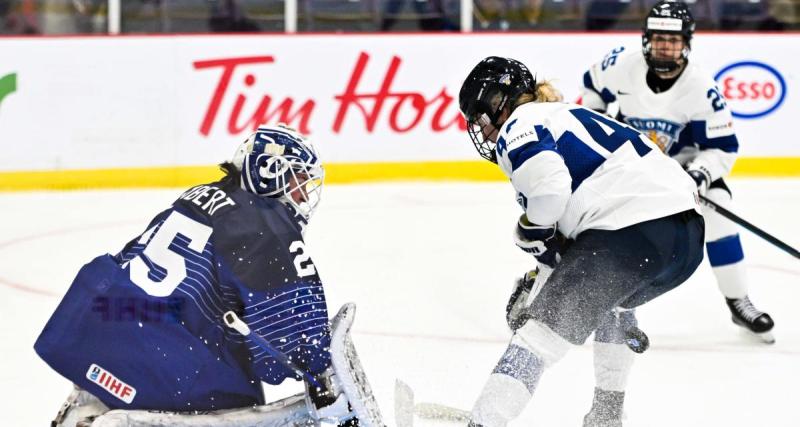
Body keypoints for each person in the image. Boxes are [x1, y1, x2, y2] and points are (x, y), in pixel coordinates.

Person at [35, 124, 381, 426]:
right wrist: (320, 374)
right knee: (239, 400)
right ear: (267, 171)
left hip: (93, 331)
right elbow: (293, 342)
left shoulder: (196, 196)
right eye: (297, 182)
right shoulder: (267, 225)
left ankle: (95, 400)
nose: (303, 195)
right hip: (162, 359)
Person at [458, 56, 705, 427]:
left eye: (481, 117)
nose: (484, 129)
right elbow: (564, 249)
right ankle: (607, 415)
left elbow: (550, 194)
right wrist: (539, 283)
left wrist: (529, 229)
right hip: (685, 242)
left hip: (628, 234)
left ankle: (484, 422)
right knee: (611, 307)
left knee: (535, 339)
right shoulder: (567, 115)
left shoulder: (520, 124)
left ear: (499, 102)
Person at [579, 0, 775, 343]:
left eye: (673, 40)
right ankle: (593, 300)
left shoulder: (702, 88)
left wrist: (698, 175)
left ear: (686, 42)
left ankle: (738, 300)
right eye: (658, 38)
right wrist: (600, 128)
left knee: (720, 212)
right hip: (630, 167)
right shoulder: (622, 65)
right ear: (646, 39)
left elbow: (722, 148)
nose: (665, 46)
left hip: (681, 170)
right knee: (596, 219)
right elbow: (591, 87)